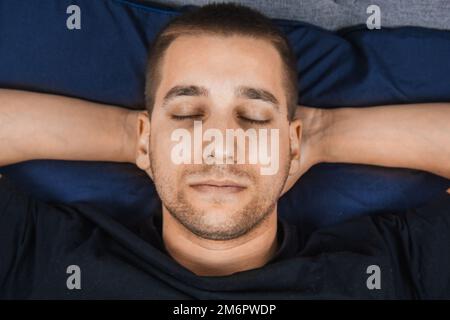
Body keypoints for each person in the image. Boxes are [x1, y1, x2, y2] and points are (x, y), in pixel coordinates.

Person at [0, 3, 449, 299]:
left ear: (292, 142)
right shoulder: (48, 256)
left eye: (253, 117)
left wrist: (323, 133)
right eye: (187, 114)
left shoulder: (385, 269)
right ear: (144, 135)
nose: (218, 146)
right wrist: (136, 141)